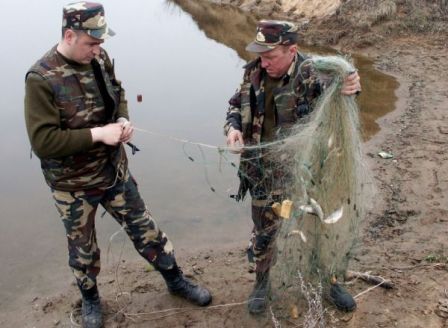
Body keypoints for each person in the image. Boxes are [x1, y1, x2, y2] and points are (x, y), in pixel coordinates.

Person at [24, 2, 211, 327]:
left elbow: (119, 91)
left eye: (101, 43)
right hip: (72, 186)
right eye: (92, 43)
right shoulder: (41, 78)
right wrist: (99, 133)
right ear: (69, 35)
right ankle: (91, 300)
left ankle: (176, 280)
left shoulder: (98, 58)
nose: (98, 50)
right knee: (83, 249)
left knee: (147, 230)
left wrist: (122, 118)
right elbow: (43, 143)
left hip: (114, 173)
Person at [224, 20, 361, 315]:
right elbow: (235, 104)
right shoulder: (253, 72)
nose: (264, 62)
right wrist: (233, 128)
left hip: (308, 175)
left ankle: (331, 282)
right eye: (261, 55)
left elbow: (344, 88)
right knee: (264, 231)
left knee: (320, 228)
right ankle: (262, 282)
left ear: (292, 50)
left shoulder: (313, 74)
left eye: (270, 56)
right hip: (261, 172)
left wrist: (351, 85)